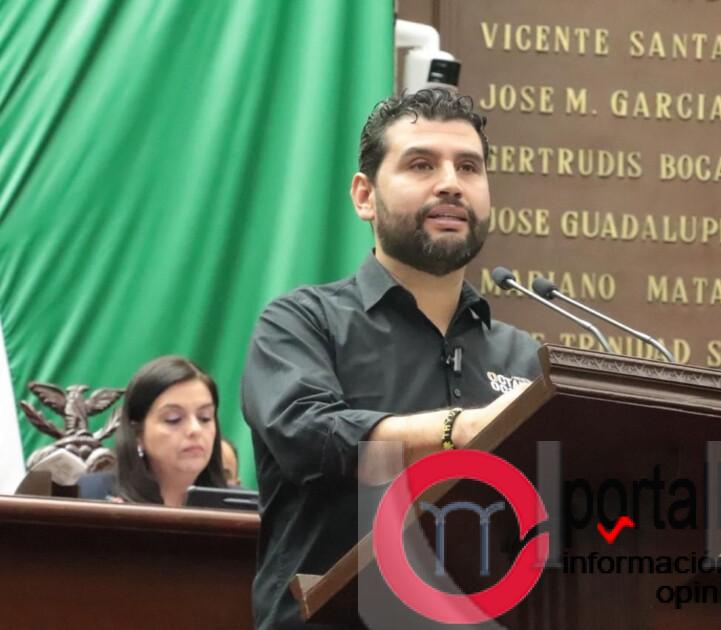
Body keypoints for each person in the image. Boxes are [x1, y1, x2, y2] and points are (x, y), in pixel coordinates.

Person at [241, 88, 540, 629]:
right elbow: (307, 437)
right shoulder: (302, 323)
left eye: (468, 167)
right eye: (422, 164)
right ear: (365, 196)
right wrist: (458, 430)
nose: (450, 183)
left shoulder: (522, 357)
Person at [79, 355, 227, 504]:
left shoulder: (235, 505)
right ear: (137, 433)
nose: (195, 429)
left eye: (205, 418)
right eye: (173, 419)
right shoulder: (91, 495)